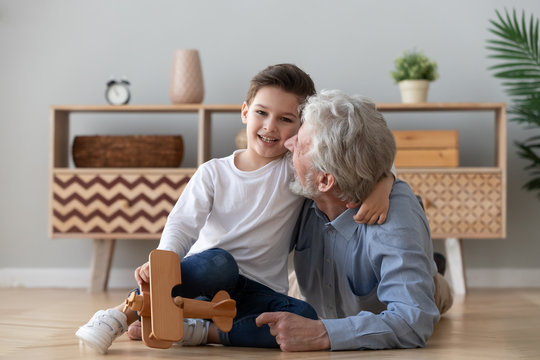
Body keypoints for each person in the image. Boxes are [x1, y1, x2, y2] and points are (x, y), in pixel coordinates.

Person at [75, 65, 394, 354]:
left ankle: (203, 332)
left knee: (304, 318)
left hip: (254, 296)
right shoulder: (214, 172)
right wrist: (164, 262)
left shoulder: (295, 170)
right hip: (204, 279)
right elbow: (182, 224)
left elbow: (352, 167)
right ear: (245, 112)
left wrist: (384, 182)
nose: (270, 127)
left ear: (300, 128)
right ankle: (120, 313)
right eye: (262, 113)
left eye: (286, 119)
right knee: (220, 261)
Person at [256, 90, 453, 351]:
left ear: (325, 180)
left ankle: (431, 271)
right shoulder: (300, 186)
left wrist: (323, 333)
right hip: (308, 287)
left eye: (301, 145)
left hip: (411, 284)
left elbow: (413, 322)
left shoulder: (393, 218)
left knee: (435, 291)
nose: (289, 144)